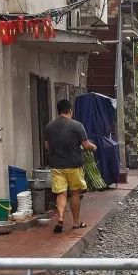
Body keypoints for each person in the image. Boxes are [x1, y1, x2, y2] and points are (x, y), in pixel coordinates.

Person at [44, 99, 96, 233]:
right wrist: (93, 147)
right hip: (74, 165)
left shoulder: (49, 126)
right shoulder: (77, 125)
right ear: (70, 111)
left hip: (57, 166)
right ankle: (76, 222)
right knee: (75, 193)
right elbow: (86, 146)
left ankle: (61, 217)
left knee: (61, 193)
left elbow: (47, 146)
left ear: (58, 111)